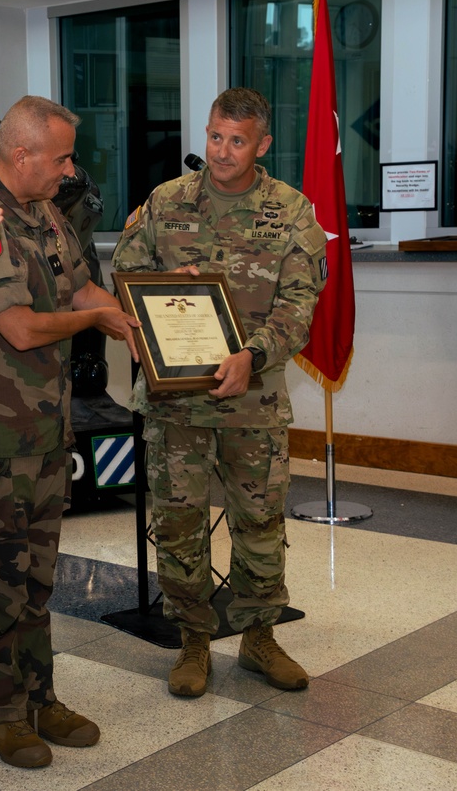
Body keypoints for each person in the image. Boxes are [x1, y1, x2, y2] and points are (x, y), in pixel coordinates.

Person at [0, 95, 140, 770]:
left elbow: (79, 287)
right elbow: (21, 326)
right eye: (59, 158)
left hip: (44, 431)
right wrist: (96, 324)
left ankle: (40, 698)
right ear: (21, 156)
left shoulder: (43, 210)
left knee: (39, 578)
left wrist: (135, 319)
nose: (68, 169)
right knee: (2, 577)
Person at [112, 87, 327, 698]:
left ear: (262, 144)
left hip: (252, 397)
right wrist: (161, 285)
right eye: (214, 136)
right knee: (178, 521)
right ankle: (192, 641)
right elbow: (126, 277)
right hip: (175, 401)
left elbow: (298, 305)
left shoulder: (290, 211)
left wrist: (251, 356)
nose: (222, 151)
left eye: (237, 140)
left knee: (258, 520)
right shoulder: (165, 203)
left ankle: (259, 637)